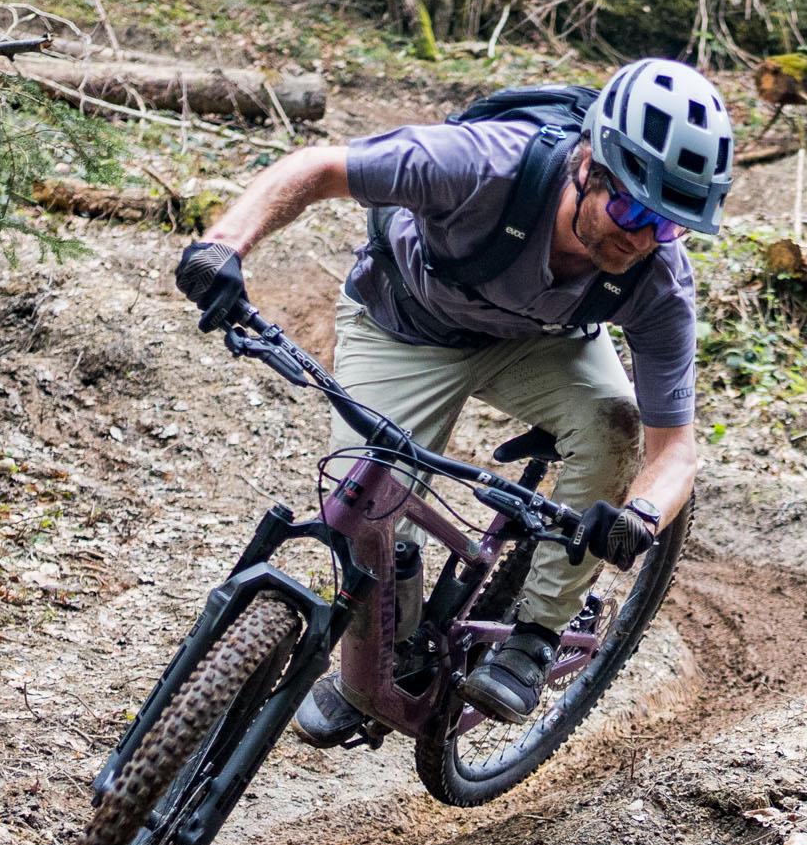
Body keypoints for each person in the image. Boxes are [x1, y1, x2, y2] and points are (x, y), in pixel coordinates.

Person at [170, 59, 735, 729]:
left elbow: (677, 451)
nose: (640, 236)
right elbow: (320, 168)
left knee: (615, 425)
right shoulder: (483, 166)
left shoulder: (658, 282)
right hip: (403, 324)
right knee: (364, 519)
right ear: (588, 162)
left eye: (666, 224)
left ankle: (534, 638)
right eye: (630, 206)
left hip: (540, 344)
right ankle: (386, 663)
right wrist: (223, 246)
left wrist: (638, 515)